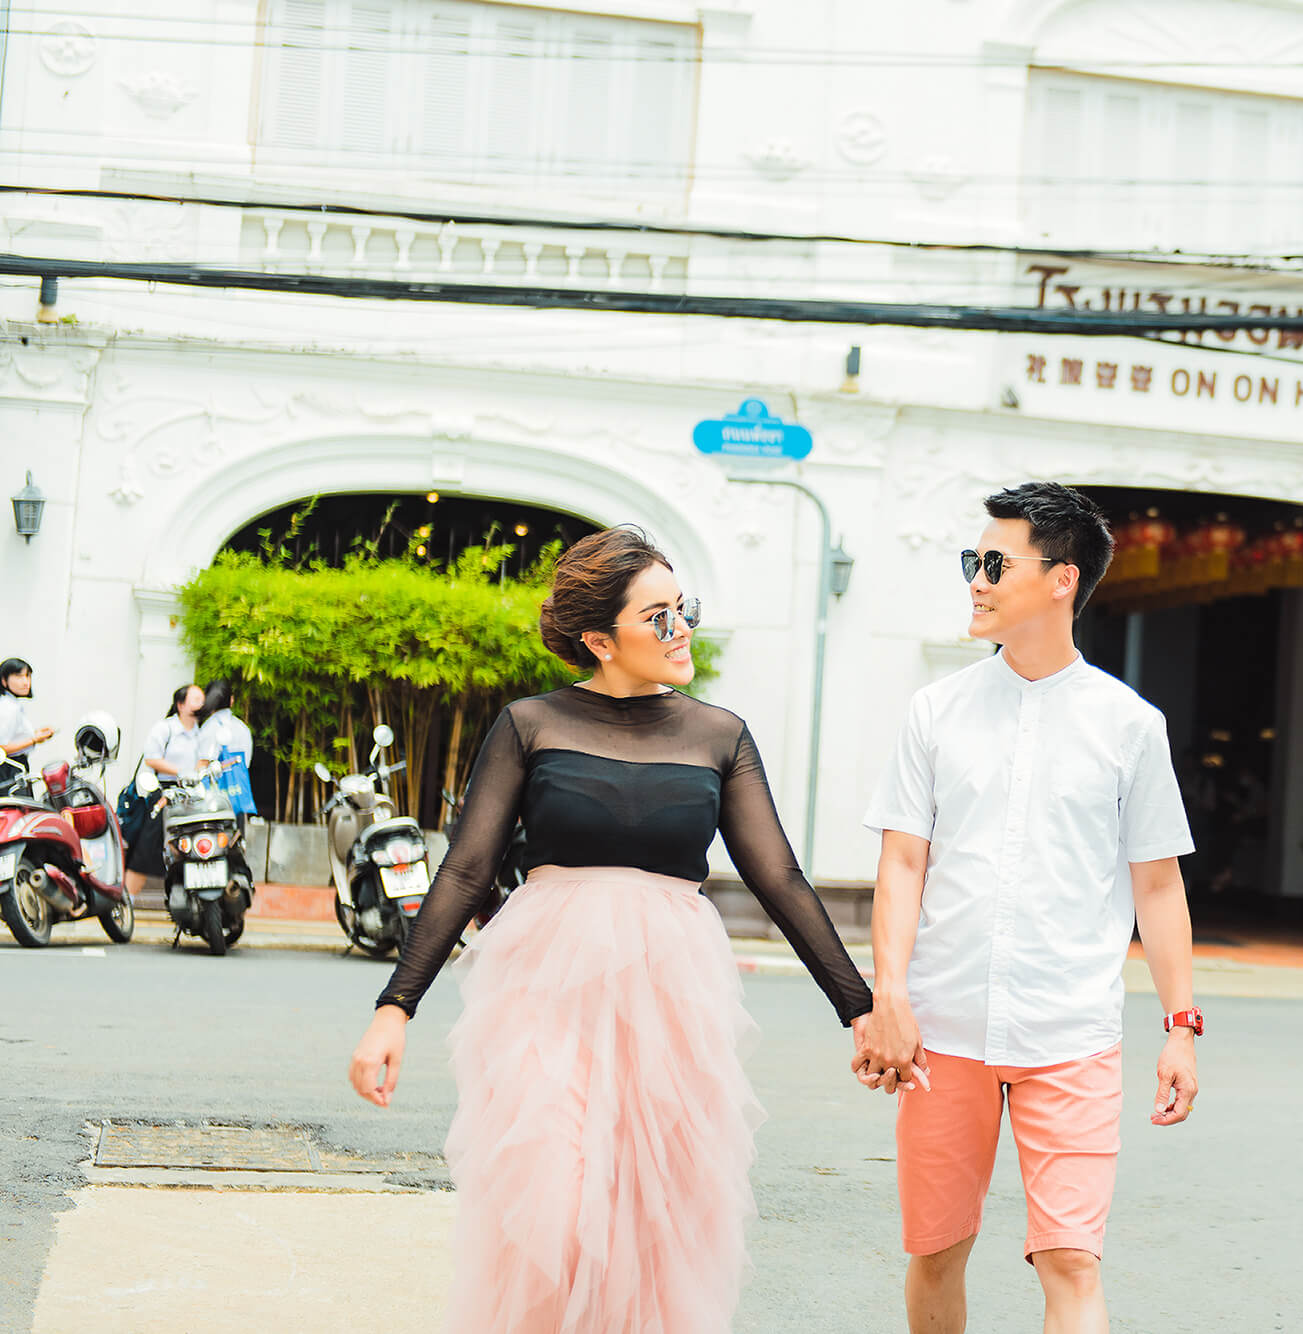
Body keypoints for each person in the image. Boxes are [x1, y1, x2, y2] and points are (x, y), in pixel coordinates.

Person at [346, 524, 874, 1334]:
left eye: (682, 609)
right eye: (657, 616)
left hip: (673, 992)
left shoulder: (717, 733)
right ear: (599, 639)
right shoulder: (531, 725)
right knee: (550, 1204)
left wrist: (859, 1007)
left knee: (655, 1213)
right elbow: (465, 871)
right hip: (541, 982)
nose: (681, 629)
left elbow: (781, 879)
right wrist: (395, 1008)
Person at [857, 482, 1201, 1334]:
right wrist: (888, 998)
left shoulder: (1129, 725)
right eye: (971, 562)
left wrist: (1180, 1025)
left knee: (1073, 1258)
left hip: (1072, 1032)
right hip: (945, 1028)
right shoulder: (936, 712)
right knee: (937, 1249)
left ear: (1061, 579)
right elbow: (902, 862)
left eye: (993, 563)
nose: (975, 580)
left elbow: (1158, 886)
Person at [122, 684, 206, 897]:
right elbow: (152, 758)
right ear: (180, 704)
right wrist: (183, 772)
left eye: (202, 700)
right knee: (146, 847)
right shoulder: (165, 728)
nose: (201, 704)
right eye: (195, 699)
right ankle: (126, 900)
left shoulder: (203, 732)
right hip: (164, 792)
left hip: (193, 795)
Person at [196, 680, 258, 834]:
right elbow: (246, 765)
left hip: (212, 804)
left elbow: (201, 765)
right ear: (231, 700)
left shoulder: (209, 727)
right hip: (237, 800)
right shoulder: (242, 728)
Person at [0, 657, 56, 776]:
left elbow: (12, 737)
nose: (26, 682)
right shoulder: (8, 707)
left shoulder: (10, 703)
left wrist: (35, 734)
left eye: (28, 676)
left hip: (13, 767)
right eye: (19, 676)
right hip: (9, 769)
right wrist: (33, 740)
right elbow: (2, 747)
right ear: (4, 680)